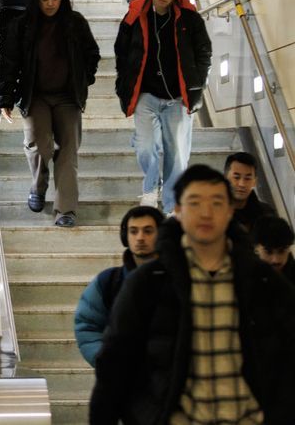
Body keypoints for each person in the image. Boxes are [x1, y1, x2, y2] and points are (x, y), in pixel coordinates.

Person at [90, 165, 295, 425]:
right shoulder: (149, 283)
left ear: (230, 211)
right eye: (195, 203)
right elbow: (115, 364)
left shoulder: (264, 282)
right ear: (177, 211)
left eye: (217, 203)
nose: (206, 213)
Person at [0, 0, 99, 226]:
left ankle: (65, 210)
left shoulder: (75, 23)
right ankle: (39, 186)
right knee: (39, 146)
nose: (50, 4)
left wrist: (84, 80)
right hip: (35, 95)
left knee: (68, 151)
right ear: (36, 0)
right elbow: (7, 63)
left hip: (67, 97)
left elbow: (91, 54)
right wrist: (5, 97)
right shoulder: (22, 25)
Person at [114, 0, 212, 211]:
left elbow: (204, 52)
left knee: (177, 153)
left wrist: (197, 85)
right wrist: (122, 82)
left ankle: (171, 205)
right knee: (146, 146)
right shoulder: (136, 16)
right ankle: (150, 188)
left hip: (177, 97)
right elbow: (121, 50)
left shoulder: (189, 18)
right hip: (146, 94)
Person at [74, 206, 164, 367]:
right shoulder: (107, 282)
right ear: (125, 236)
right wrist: (108, 361)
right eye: (133, 231)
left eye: (148, 231)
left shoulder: (181, 278)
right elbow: (87, 327)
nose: (140, 238)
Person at [225, 151, 276, 232]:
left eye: (247, 178)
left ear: (254, 182)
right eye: (236, 177)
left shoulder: (267, 213)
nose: (242, 184)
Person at [252, 215, 295, 284]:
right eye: (268, 252)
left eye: (282, 251)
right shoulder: (246, 277)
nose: (276, 260)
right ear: (256, 248)